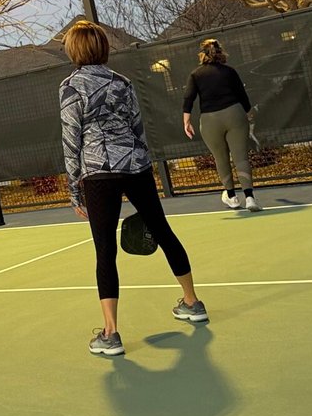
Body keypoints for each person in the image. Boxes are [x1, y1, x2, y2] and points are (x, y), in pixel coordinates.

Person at [59, 21, 208, 357]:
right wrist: (142, 165)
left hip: (98, 173)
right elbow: (137, 127)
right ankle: (192, 302)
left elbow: (71, 140)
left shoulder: (70, 87)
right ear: (101, 47)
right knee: (163, 231)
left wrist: (73, 188)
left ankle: (111, 334)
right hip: (135, 165)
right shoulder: (122, 82)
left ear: (74, 50)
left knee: (104, 250)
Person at [181, 38, 261, 211]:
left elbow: (189, 97)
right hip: (235, 114)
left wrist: (186, 120)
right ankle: (250, 198)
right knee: (241, 157)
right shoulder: (229, 72)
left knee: (221, 158)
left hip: (210, 120)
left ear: (202, 54)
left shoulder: (196, 74)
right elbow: (242, 94)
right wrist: (248, 114)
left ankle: (232, 197)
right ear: (220, 53)